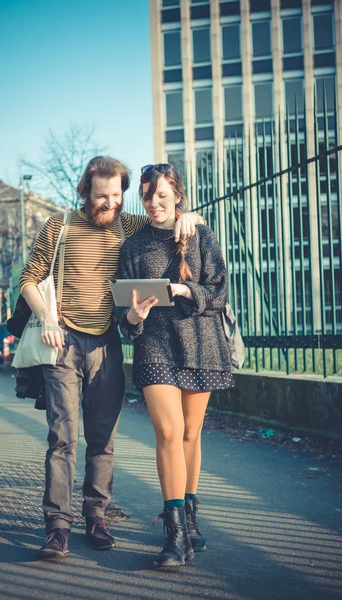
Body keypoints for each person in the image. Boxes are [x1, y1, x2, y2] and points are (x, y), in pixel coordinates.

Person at [18, 156, 205, 560]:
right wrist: (47, 316)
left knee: (103, 440)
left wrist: (193, 215)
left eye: (118, 196)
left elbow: (170, 215)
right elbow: (28, 279)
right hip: (62, 342)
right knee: (62, 439)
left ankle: (96, 517)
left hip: (107, 344)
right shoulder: (60, 226)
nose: (111, 204)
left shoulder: (128, 224)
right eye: (102, 196)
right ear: (86, 190)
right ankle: (57, 527)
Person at [116, 163, 233, 569]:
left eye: (161, 196)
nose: (153, 204)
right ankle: (176, 533)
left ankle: (190, 515)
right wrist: (132, 317)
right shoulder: (132, 247)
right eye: (147, 196)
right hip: (154, 348)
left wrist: (184, 289)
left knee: (191, 433)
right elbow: (123, 319)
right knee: (168, 431)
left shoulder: (198, 233)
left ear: (177, 196)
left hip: (200, 344)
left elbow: (218, 291)